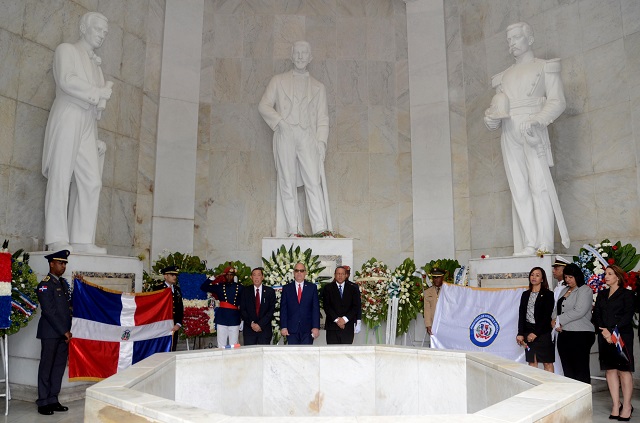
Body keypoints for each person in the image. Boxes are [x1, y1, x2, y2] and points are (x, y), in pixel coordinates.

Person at [484, 22, 568, 256]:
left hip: (533, 127)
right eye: (509, 40)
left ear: (529, 39)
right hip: (509, 130)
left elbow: (557, 101)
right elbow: (496, 108)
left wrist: (539, 119)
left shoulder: (545, 67)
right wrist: (491, 120)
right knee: (518, 188)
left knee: (539, 186)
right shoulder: (503, 77)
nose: (512, 43)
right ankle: (529, 242)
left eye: (516, 38)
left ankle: (545, 243)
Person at [42, 12, 113, 254]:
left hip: (87, 122)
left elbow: (97, 101)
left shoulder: (96, 64)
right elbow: (66, 80)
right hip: (68, 114)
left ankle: (82, 239)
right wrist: (98, 92)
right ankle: (56, 237)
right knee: (61, 175)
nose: (102, 35)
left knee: (92, 181)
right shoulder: (67, 50)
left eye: (105, 32)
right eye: (98, 29)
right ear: (84, 28)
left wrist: (95, 137)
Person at [258, 41, 331, 236]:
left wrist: (322, 142)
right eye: (297, 53)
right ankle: (294, 229)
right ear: (291, 56)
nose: (300, 56)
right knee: (287, 181)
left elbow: (323, 117)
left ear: (310, 57)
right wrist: (280, 122)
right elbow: (264, 105)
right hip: (285, 133)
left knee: (313, 182)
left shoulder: (318, 87)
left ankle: (320, 228)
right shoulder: (278, 80)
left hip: (308, 135)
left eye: (304, 53)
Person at [593, 265, 635, 420]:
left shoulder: (628, 294)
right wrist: (604, 332)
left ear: (618, 276)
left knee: (624, 371)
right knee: (610, 370)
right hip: (604, 336)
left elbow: (627, 316)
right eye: (605, 274)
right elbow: (596, 315)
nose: (607, 276)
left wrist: (612, 332)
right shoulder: (602, 294)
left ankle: (628, 405)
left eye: (610, 274)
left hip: (621, 336)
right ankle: (616, 404)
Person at [36, 250, 72, 416]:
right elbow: (49, 312)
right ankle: (43, 401)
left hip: (64, 334)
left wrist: (68, 331)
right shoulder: (45, 285)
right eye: (60, 263)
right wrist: (64, 331)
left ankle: (53, 398)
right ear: (51, 263)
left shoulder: (64, 284)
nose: (63, 266)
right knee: (46, 367)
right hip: (51, 333)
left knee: (58, 368)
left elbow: (68, 309)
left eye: (65, 263)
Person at [552, 263, 595, 384]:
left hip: (581, 334)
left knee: (580, 369)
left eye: (570, 277)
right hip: (564, 334)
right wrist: (554, 321)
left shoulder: (585, 290)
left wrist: (559, 320)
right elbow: (556, 308)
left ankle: (583, 398)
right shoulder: (564, 290)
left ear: (577, 276)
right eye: (566, 277)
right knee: (568, 369)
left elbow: (579, 311)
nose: (568, 280)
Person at [516, 267, 555, 372]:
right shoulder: (525, 294)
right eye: (532, 274)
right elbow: (521, 315)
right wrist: (520, 333)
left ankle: (550, 387)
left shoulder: (548, 294)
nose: (534, 277)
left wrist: (536, 333)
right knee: (532, 361)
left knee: (547, 362)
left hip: (543, 332)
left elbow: (546, 317)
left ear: (542, 279)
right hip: (528, 331)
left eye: (537, 275)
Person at [201, 266, 243, 348]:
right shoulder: (220, 286)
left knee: (234, 345)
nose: (229, 276)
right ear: (224, 276)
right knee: (221, 345)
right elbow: (203, 287)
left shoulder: (240, 287)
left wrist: (242, 318)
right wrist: (214, 277)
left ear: (234, 276)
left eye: (231, 275)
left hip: (234, 318)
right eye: (227, 275)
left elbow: (243, 303)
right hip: (222, 318)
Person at [280, 262, 320, 344]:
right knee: (293, 355)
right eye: (297, 270)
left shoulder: (312, 288)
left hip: (307, 330)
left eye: (301, 271)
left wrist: (316, 327)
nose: (299, 273)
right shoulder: (287, 288)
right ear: (293, 273)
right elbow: (283, 309)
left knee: (306, 355)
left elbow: (315, 308)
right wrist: (284, 327)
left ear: (305, 273)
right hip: (291, 330)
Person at [323, 266, 360, 344]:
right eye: (338, 274)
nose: (340, 276)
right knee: (332, 353)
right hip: (332, 327)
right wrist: (337, 320)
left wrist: (344, 320)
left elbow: (355, 306)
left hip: (347, 327)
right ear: (335, 275)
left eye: (342, 274)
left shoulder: (353, 288)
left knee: (346, 352)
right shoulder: (328, 288)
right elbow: (326, 306)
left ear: (346, 275)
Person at [240, 267, 276, 345]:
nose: (256, 277)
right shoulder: (245, 291)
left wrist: (260, 324)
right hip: (249, 331)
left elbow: (271, 310)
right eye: (254, 275)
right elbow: (243, 310)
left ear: (262, 277)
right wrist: (252, 324)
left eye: (259, 275)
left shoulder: (270, 291)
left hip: (264, 330)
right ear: (251, 277)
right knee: (250, 355)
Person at [551, 256, 570, 375]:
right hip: (555, 325)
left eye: (557, 268)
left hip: (563, 326)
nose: (554, 271)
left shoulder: (566, 287)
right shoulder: (558, 286)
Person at [159, 266, 183, 352]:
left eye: (175, 275)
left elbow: (180, 308)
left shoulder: (177, 290)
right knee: (161, 349)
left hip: (174, 325)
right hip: (161, 325)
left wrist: (178, 323)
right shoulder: (158, 289)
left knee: (172, 348)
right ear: (165, 276)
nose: (174, 277)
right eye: (172, 275)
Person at [424, 268, 445, 337]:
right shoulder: (427, 292)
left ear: (442, 277)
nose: (436, 279)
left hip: (445, 323)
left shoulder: (448, 290)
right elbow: (427, 310)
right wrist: (428, 325)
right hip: (433, 324)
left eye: (438, 277)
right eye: (434, 277)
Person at [344, 265, 362, 334]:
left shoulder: (353, 287)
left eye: (347, 273)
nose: (346, 275)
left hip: (350, 319)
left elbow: (357, 305)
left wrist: (358, 321)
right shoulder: (332, 286)